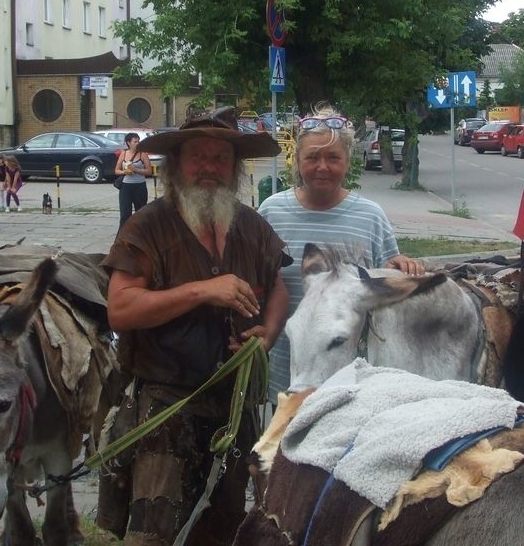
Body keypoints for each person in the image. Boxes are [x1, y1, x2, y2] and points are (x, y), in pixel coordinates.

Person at [103, 106, 291, 545]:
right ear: (176, 165)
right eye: (197, 156)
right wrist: (204, 290)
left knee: (223, 526)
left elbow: (278, 286)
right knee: (153, 532)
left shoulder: (251, 225)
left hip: (233, 410)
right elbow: (121, 309)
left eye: (220, 157)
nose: (209, 167)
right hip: (165, 408)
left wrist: (270, 331)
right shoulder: (147, 225)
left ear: (235, 167)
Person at [257, 104, 424, 404]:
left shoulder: (370, 216)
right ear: (296, 161)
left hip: (353, 379)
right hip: (286, 372)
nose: (323, 166)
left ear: (348, 161)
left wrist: (399, 268)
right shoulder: (271, 212)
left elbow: (384, 282)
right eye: (312, 157)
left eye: (333, 157)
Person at [115, 132, 152, 228]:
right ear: (128, 143)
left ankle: (141, 235)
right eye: (135, 141)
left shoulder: (142, 154)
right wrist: (124, 172)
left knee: (140, 213)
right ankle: (123, 238)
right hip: (126, 187)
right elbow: (116, 171)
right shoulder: (123, 154)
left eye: (138, 141)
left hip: (139, 186)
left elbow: (149, 171)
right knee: (125, 214)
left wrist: (136, 170)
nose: (137, 143)